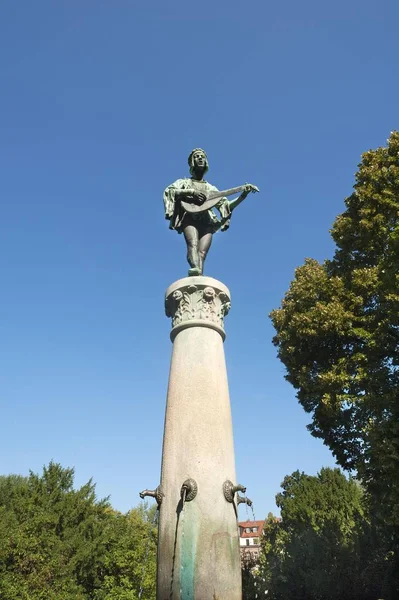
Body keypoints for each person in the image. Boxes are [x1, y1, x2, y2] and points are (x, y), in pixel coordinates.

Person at [164, 148, 257, 276]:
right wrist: (191, 192)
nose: (200, 158)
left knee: (202, 253)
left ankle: (198, 278)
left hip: (207, 221)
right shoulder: (184, 182)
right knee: (193, 244)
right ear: (192, 161)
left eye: (202, 156)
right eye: (197, 156)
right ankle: (195, 270)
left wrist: (243, 196)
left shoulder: (211, 188)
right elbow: (170, 192)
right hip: (189, 218)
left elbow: (226, 206)